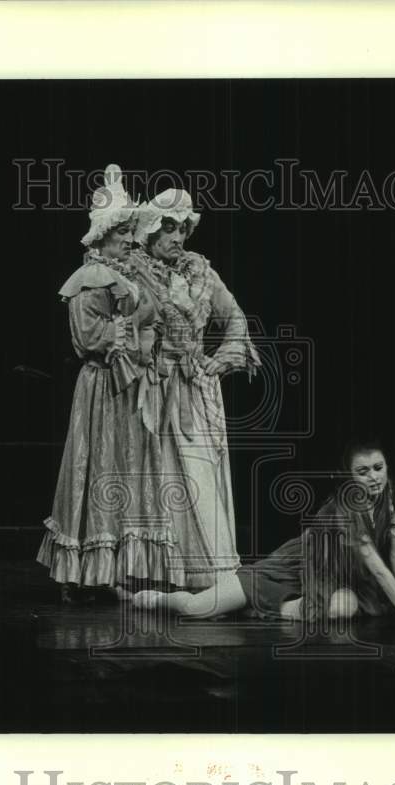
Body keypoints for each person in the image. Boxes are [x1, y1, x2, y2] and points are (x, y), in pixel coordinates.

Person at [37, 164, 175, 602]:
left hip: (133, 385)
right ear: (101, 238)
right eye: (121, 237)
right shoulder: (91, 278)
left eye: (130, 235)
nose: (129, 243)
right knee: (95, 468)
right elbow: (87, 337)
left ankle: (119, 569)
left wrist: (145, 338)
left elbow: (152, 313)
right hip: (103, 385)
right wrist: (127, 333)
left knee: (128, 471)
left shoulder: (130, 273)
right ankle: (78, 574)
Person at [133, 441, 395, 629]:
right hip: (296, 566)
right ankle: (152, 598)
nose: (374, 478)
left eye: (378, 468)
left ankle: (254, 608)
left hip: (338, 576)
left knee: (342, 609)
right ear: (348, 476)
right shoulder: (345, 506)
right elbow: (377, 567)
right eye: (362, 471)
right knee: (196, 610)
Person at [126, 188, 261, 590]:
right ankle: (154, 572)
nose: (178, 238)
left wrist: (219, 362)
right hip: (154, 387)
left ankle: (207, 572)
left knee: (200, 476)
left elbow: (234, 316)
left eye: (183, 229)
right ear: (149, 233)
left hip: (194, 390)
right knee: (154, 477)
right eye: (168, 230)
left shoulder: (200, 271)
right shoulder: (133, 271)